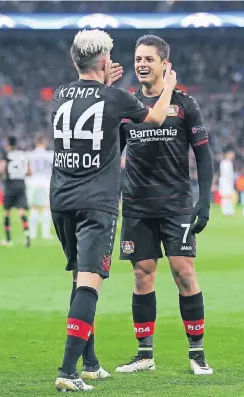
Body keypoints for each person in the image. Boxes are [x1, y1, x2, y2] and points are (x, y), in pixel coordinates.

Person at [50, 29, 177, 392]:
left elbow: (92, 107)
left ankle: (90, 364)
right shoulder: (117, 97)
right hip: (96, 203)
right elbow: (154, 119)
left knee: (78, 279)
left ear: (76, 61)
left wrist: (102, 81)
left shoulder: (59, 95)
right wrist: (168, 84)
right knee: (90, 282)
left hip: (61, 199)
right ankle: (68, 371)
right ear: (106, 62)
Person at [114, 35, 214, 375]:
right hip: (137, 207)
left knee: (184, 273)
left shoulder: (184, 104)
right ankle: (144, 354)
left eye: (149, 59)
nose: (141, 64)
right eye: (138, 58)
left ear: (164, 64)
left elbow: (203, 152)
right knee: (143, 275)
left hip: (176, 205)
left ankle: (197, 353)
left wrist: (205, 202)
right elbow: (113, 155)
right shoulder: (127, 107)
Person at [0, 136, 31, 248]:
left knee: (7, 212)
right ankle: (26, 234)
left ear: (8, 144)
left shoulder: (6, 156)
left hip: (10, 184)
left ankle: (8, 239)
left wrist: (1, 176)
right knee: (21, 211)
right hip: (21, 184)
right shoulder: (23, 155)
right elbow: (29, 171)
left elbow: (1, 169)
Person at [27, 135, 54, 239]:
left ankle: (32, 234)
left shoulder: (30, 155)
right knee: (46, 208)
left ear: (36, 142)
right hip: (46, 182)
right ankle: (45, 234)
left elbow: (28, 170)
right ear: (45, 142)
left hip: (33, 182)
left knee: (34, 207)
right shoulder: (50, 155)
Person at [219, 148, 235, 216]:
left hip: (228, 182)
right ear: (227, 155)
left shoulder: (229, 162)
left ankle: (228, 210)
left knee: (228, 196)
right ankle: (226, 211)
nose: (233, 155)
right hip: (225, 182)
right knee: (226, 196)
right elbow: (226, 174)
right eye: (231, 154)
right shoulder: (225, 162)